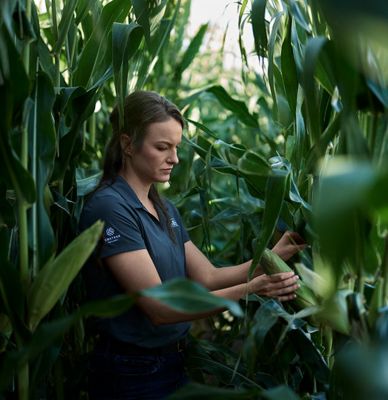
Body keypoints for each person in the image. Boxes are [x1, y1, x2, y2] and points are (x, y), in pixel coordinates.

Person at [79, 91, 305, 400]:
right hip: (131, 373)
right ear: (128, 144)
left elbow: (208, 277)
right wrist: (252, 289)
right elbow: (160, 307)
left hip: (172, 362)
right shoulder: (110, 208)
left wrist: (273, 255)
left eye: (176, 147)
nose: (174, 158)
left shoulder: (163, 209)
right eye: (162, 147)